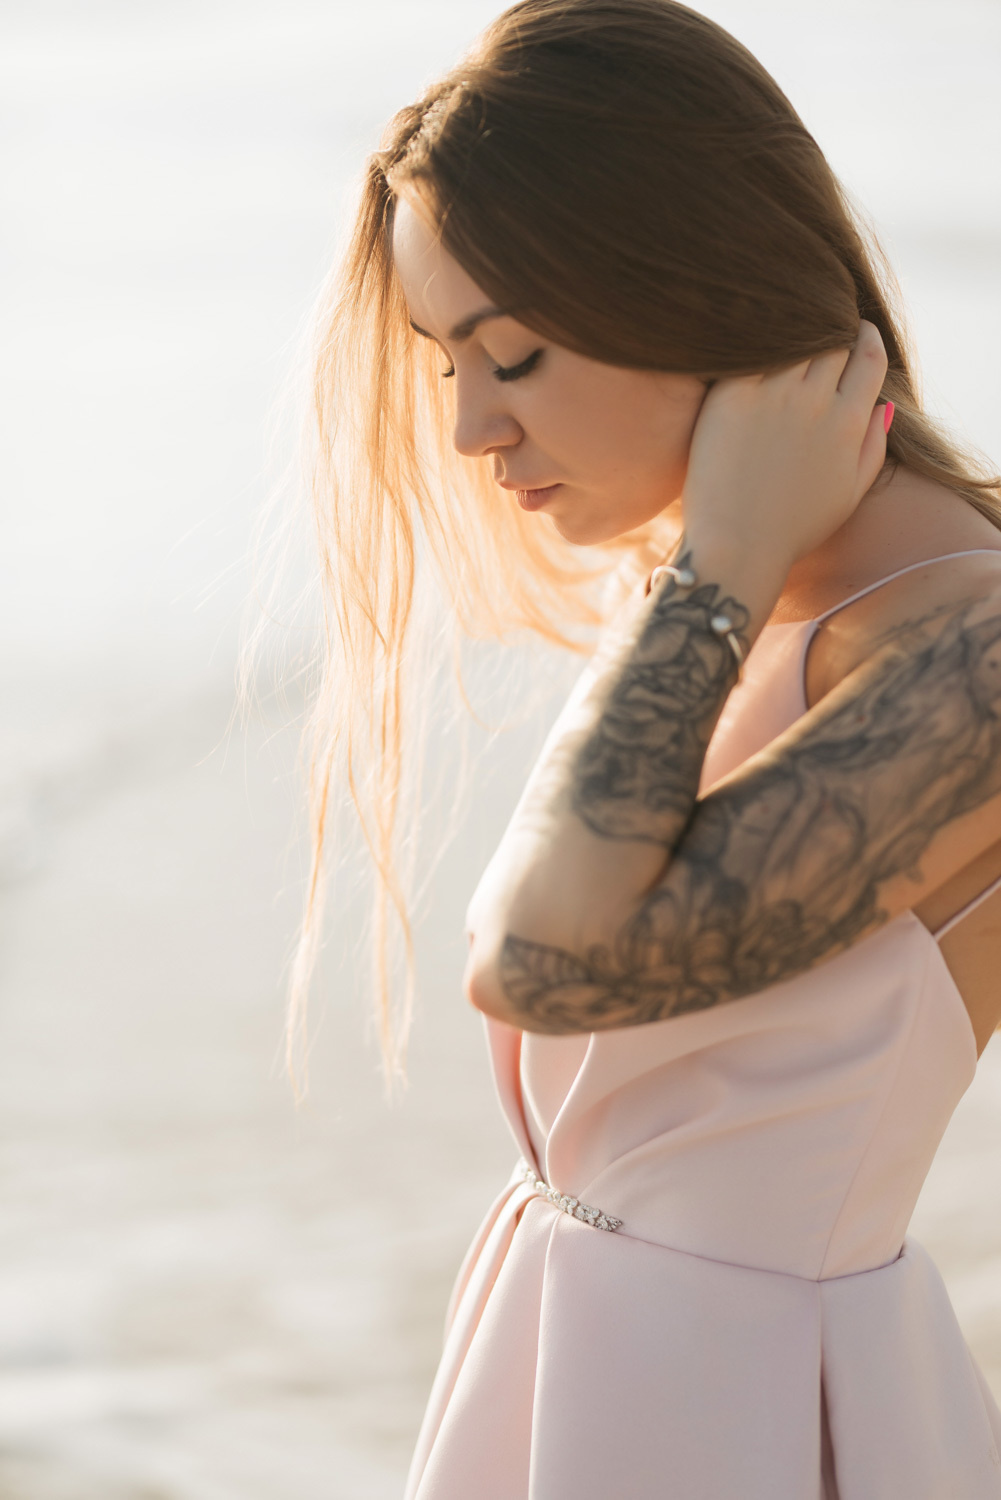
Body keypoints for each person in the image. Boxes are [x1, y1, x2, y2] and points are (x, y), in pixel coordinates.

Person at [297, 0, 1001, 1493]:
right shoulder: (743, 585)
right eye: (446, 367)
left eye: (517, 355)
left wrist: (718, 563)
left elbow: (539, 963)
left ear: (696, 287)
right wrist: (722, 563)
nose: (473, 430)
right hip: (586, 1359)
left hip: (741, 1410)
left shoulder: (963, 649)